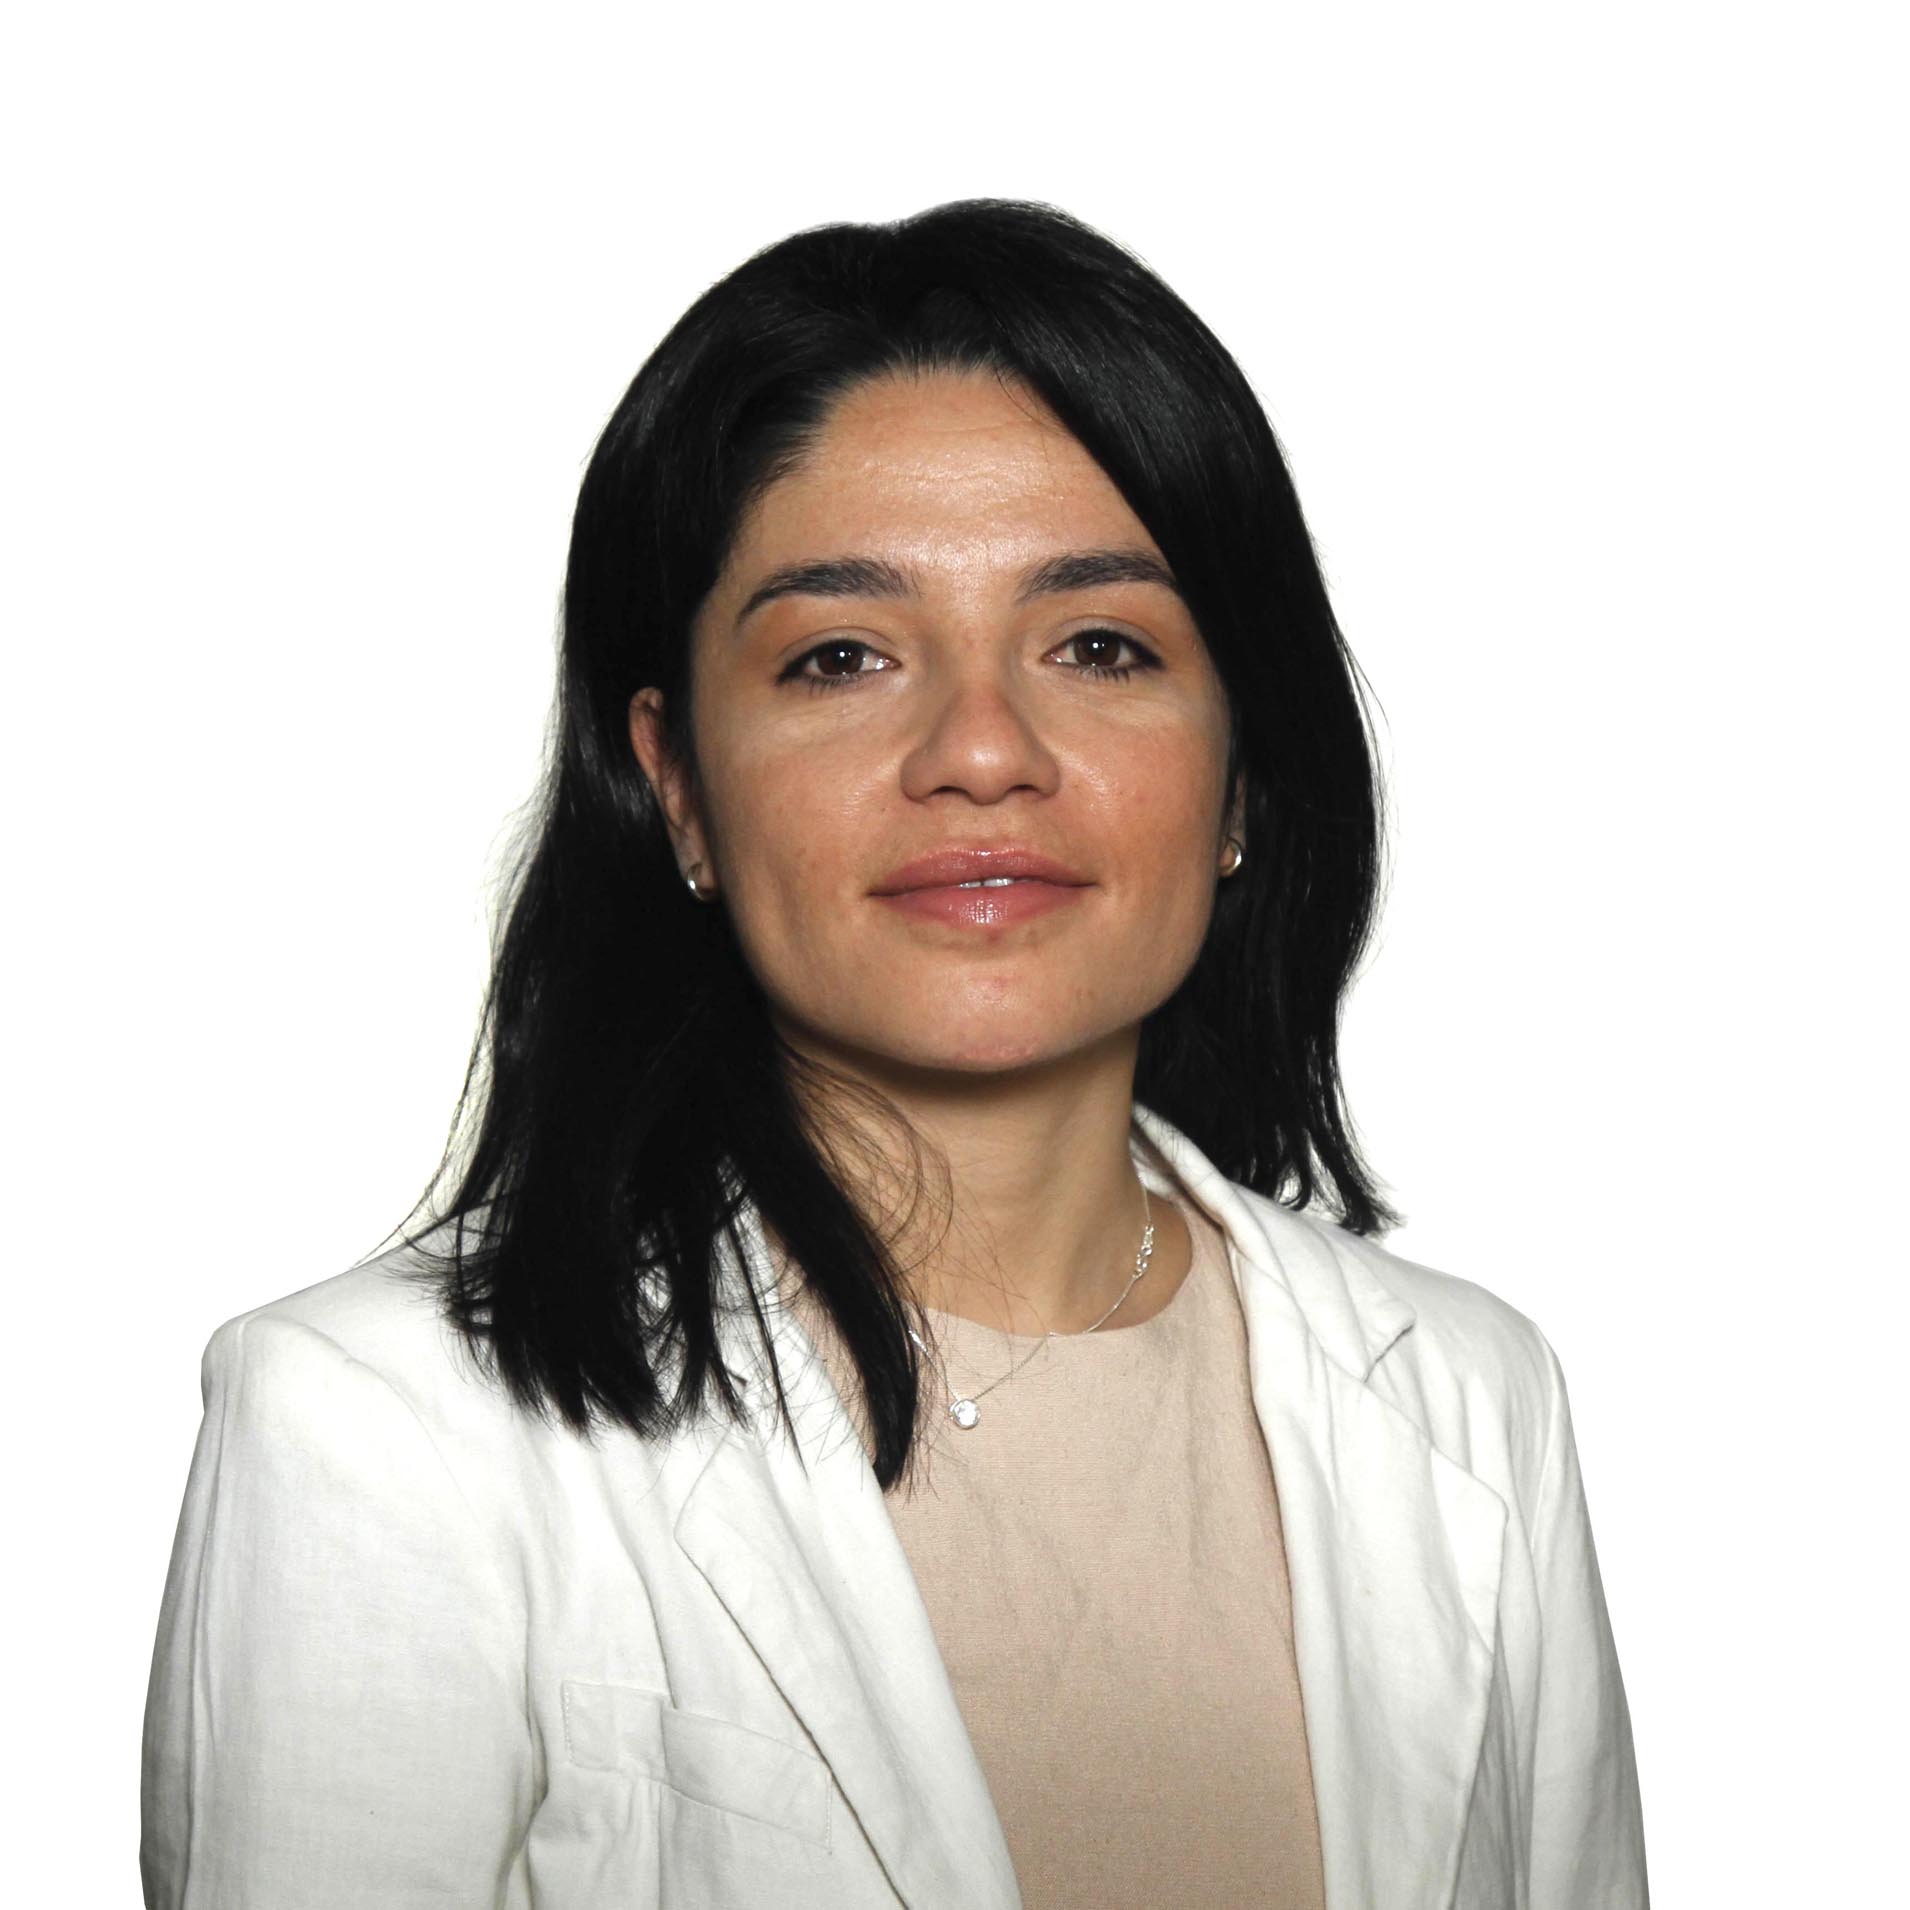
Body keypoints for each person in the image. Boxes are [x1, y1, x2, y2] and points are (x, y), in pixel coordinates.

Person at [139, 198, 1649, 1909]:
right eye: (840, 655)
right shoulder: (377, 1427)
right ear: (678, 785)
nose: (981, 750)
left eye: (1100, 645)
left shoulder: (1474, 1401)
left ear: (1240, 771)